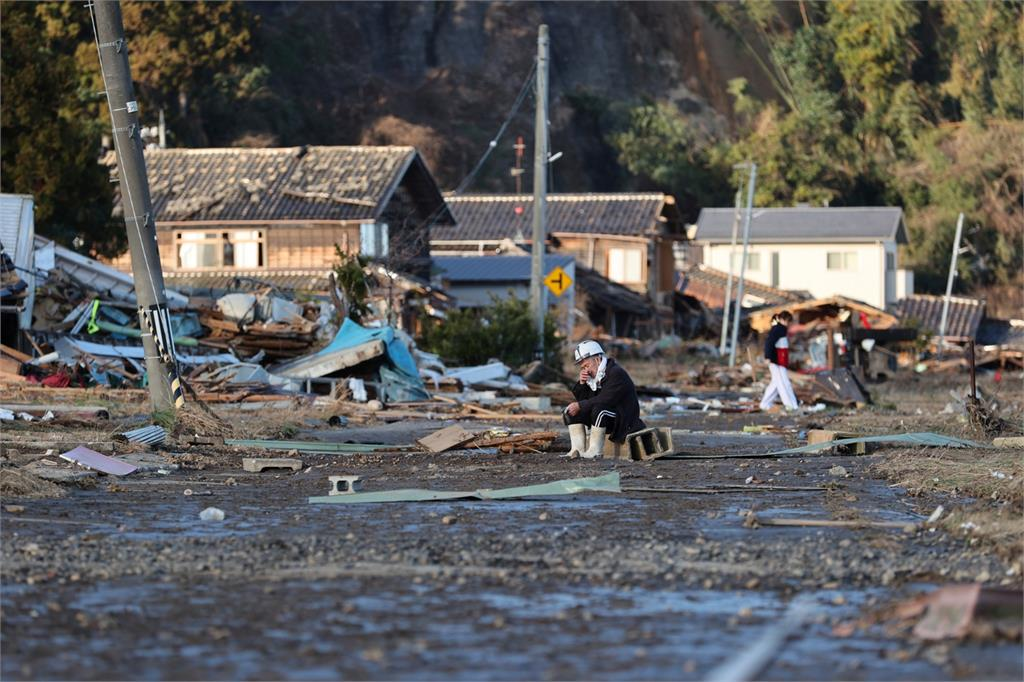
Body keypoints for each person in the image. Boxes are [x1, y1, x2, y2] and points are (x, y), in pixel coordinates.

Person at [563, 340, 645, 458]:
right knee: (570, 412)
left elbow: (606, 399)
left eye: (587, 365)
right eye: (583, 367)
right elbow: (584, 401)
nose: (586, 370)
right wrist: (582, 384)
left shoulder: (615, 373)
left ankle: (595, 452)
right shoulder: (593, 378)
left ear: (597, 359)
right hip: (607, 416)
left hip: (624, 419)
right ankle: (577, 450)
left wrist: (580, 405)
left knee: (599, 410)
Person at [760, 310, 799, 410]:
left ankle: (764, 404)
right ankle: (791, 405)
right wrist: (768, 357)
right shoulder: (778, 329)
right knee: (784, 383)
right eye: (786, 320)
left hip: (780, 361)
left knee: (776, 384)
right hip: (776, 361)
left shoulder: (781, 329)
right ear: (781, 319)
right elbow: (769, 343)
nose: (787, 323)